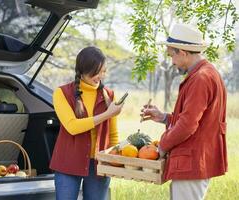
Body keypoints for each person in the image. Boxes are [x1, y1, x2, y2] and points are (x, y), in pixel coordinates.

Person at [141, 24, 227, 200]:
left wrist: (162, 146)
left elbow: (188, 125)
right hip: (194, 161)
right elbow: (196, 119)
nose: (172, 61)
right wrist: (164, 117)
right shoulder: (205, 73)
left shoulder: (201, 78)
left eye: (172, 55)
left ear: (183, 52)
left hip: (193, 161)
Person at [50, 46, 124, 200]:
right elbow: (72, 126)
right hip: (68, 162)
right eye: (96, 72)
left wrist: (113, 160)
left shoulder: (109, 95)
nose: (100, 76)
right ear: (83, 71)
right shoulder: (62, 93)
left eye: (103, 71)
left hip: (98, 165)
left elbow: (113, 134)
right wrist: (107, 114)